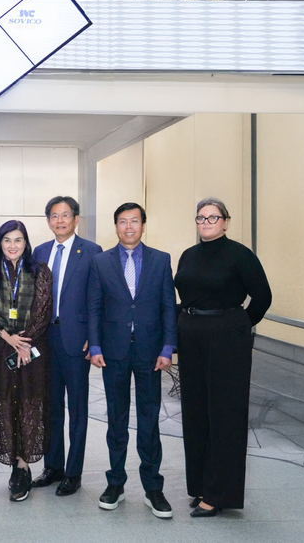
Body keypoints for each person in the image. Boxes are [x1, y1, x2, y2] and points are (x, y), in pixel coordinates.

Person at [174, 198, 272, 517]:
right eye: (201, 218)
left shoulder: (239, 255)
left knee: (224, 415)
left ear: (226, 222)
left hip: (226, 340)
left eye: (213, 217)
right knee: (196, 412)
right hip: (191, 337)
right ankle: (202, 485)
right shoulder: (189, 255)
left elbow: (263, 296)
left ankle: (219, 494)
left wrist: (239, 325)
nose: (206, 223)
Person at [87, 202, 177, 519]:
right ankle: (116, 484)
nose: (128, 227)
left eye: (134, 221)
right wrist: (95, 345)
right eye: (123, 222)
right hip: (113, 351)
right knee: (116, 419)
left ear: (143, 225)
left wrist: (168, 347)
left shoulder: (161, 260)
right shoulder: (101, 262)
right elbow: (94, 307)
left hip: (151, 353)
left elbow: (169, 306)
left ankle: (153, 488)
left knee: (149, 420)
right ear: (115, 227)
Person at [31, 196, 102, 496]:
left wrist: (94, 338)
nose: (60, 221)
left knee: (77, 408)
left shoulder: (92, 252)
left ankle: (73, 473)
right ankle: (53, 466)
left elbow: (98, 300)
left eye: (65, 215)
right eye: (54, 216)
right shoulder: (39, 252)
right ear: (48, 220)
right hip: (46, 341)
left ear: (76, 219)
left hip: (77, 341)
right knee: (51, 407)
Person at [0, 220, 52, 501]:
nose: (12, 246)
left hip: (32, 352)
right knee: (4, 401)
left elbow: (43, 310)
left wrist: (25, 343)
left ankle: (24, 466)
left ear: (26, 243)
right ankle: (14, 462)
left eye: (18, 240)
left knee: (28, 402)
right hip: (0, 350)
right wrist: (6, 336)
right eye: (7, 240)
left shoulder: (39, 271)